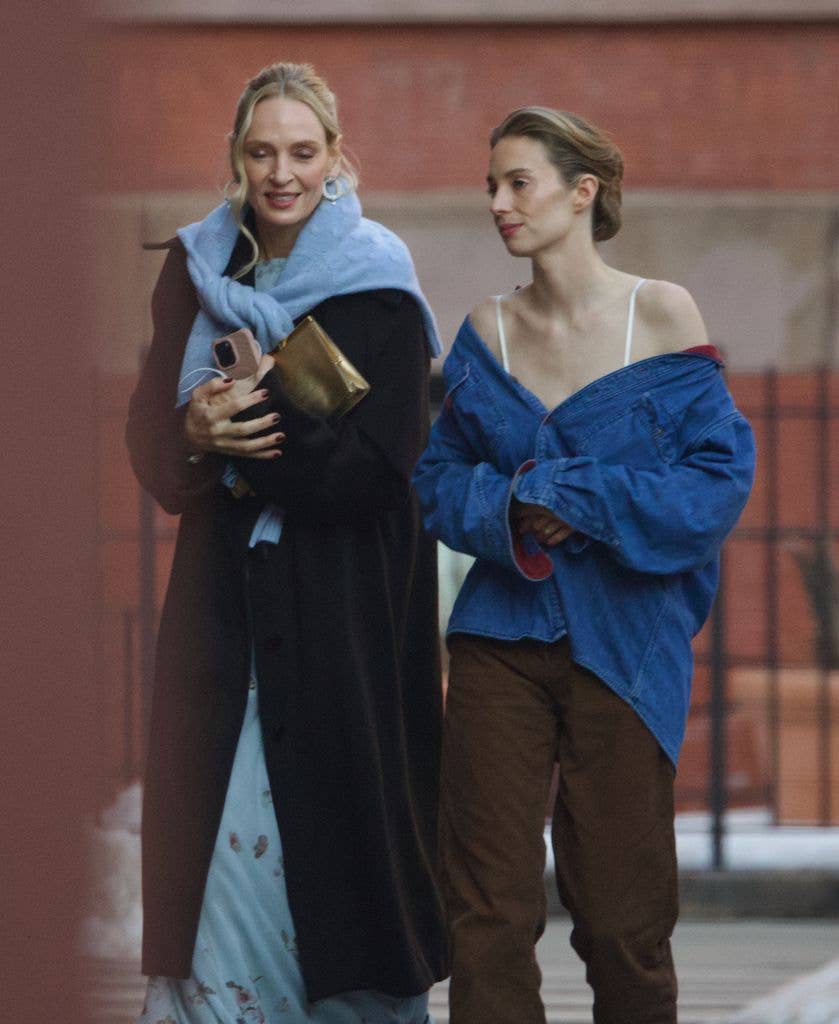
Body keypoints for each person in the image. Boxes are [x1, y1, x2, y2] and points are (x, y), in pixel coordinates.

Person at [412, 106, 756, 1024]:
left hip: (626, 646)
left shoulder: (662, 310)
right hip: (498, 637)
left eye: (516, 182)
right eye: (490, 184)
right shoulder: (484, 329)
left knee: (620, 917)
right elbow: (437, 479)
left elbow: (715, 485)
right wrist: (513, 508)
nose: (497, 202)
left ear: (581, 192)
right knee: (486, 906)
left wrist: (576, 496)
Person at [126, 61, 448, 1024]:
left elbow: (372, 476)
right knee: (213, 851)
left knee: (337, 867)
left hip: (339, 615)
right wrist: (189, 438)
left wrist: (249, 422)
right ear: (235, 157)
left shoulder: (379, 287)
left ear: (335, 159)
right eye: (261, 151)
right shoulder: (193, 269)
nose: (281, 172)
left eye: (302, 152)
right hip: (223, 614)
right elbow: (150, 435)